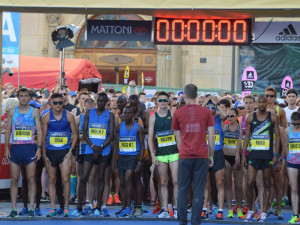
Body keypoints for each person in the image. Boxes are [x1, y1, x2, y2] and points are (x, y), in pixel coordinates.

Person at [172, 84, 215, 225]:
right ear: (196, 95)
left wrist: (182, 151)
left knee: (183, 190)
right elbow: (212, 136)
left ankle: (182, 222)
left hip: (185, 155)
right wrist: (211, 155)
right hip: (201, 155)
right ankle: (196, 222)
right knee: (199, 191)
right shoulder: (206, 112)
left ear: (184, 95)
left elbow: (177, 138)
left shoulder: (177, 113)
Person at [72, 92, 114, 217]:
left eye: (103, 101)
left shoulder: (110, 115)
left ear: (106, 102)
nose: (101, 103)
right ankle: (79, 207)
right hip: (90, 149)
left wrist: (100, 147)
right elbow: (84, 131)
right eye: (99, 100)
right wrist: (92, 146)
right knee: (84, 177)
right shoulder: (89, 113)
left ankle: (98, 207)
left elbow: (111, 135)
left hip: (104, 150)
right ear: (96, 100)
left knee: (101, 178)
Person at [241, 94, 280, 222]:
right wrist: (243, 155)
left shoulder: (273, 117)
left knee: (267, 183)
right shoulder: (250, 117)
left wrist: (276, 155)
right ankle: (251, 210)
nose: (262, 104)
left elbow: (277, 138)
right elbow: (246, 137)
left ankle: (263, 211)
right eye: (260, 102)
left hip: (267, 155)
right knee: (250, 182)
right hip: (254, 154)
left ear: (267, 104)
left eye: (264, 102)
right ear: (257, 103)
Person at [5, 88, 42, 218]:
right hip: (16, 148)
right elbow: (8, 130)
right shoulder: (11, 112)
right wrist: (6, 149)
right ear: (18, 97)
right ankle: (14, 209)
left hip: (30, 147)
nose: (24, 98)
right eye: (22, 96)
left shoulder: (35, 112)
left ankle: (31, 208)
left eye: (26, 96)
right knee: (14, 179)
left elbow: (40, 130)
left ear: (29, 97)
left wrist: (39, 148)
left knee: (31, 178)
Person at [41, 93, 78, 217]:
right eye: (55, 103)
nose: (58, 105)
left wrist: (70, 151)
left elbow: (75, 135)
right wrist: (44, 154)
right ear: (51, 103)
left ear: (63, 103)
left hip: (64, 152)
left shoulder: (69, 116)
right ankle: (53, 208)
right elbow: (43, 136)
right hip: (51, 152)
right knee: (51, 180)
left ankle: (66, 207)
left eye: (60, 102)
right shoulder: (46, 117)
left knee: (66, 179)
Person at [148, 92, 179, 218]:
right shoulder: (153, 117)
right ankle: (165, 209)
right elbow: (150, 138)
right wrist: (152, 155)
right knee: (163, 182)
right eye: (160, 100)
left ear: (169, 102)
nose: (163, 102)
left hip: (174, 152)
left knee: (176, 181)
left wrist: (181, 151)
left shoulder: (173, 114)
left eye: (165, 100)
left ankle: (176, 209)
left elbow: (178, 135)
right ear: (157, 102)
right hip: (160, 154)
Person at [113, 106, 145, 217]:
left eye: (129, 113)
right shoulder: (118, 127)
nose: (127, 115)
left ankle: (128, 207)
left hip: (133, 157)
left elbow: (142, 145)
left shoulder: (138, 127)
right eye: (124, 113)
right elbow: (116, 144)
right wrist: (113, 159)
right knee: (122, 182)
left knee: (128, 179)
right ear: (122, 114)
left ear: (133, 115)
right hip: (121, 157)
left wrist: (140, 161)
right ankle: (124, 206)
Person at [201, 96, 227, 220]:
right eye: (208, 106)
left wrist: (217, 105)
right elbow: (197, 113)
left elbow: (225, 115)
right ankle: (205, 209)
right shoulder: (202, 118)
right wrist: (205, 102)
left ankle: (220, 210)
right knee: (205, 184)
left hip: (218, 153)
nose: (210, 109)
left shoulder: (219, 118)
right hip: (204, 154)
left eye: (212, 107)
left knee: (219, 182)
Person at [223, 108, 243, 219]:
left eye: (232, 116)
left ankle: (239, 207)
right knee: (228, 184)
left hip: (236, 158)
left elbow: (240, 142)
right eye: (228, 116)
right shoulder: (225, 127)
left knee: (239, 185)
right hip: (226, 157)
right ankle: (230, 209)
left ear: (236, 116)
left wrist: (237, 155)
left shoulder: (240, 128)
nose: (229, 118)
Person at [286, 111, 300, 224]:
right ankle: (295, 215)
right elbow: (286, 147)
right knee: (294, 188)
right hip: (292, 162)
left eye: (298, 124)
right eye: (293, 123)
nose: (295, 126)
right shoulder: (287, 130)